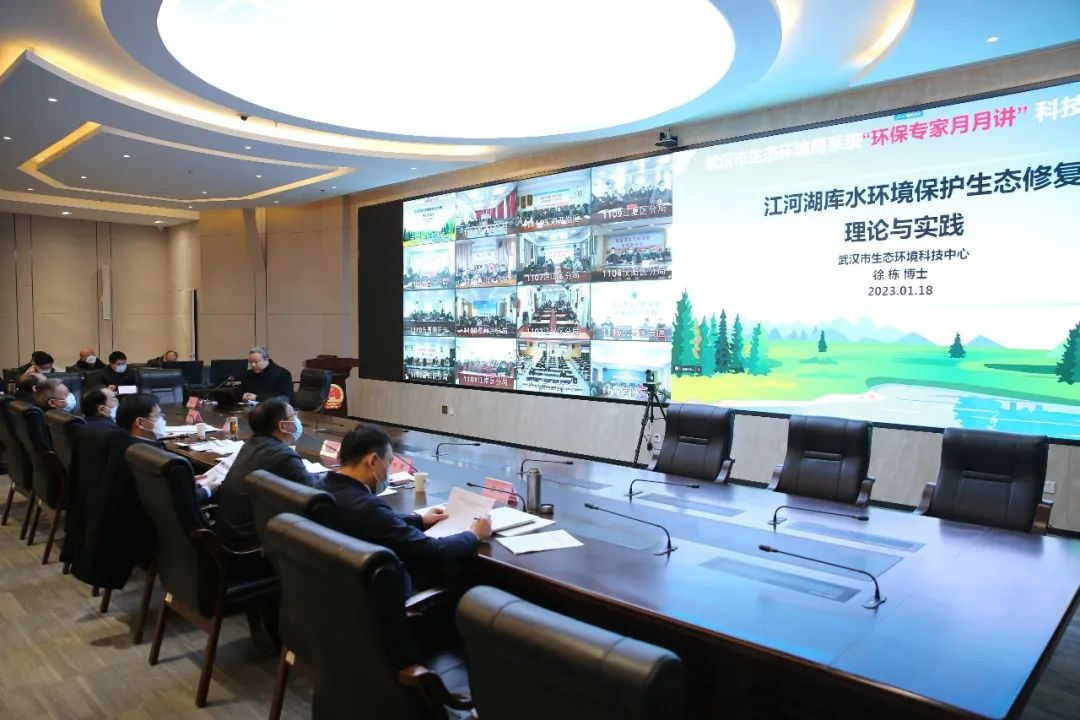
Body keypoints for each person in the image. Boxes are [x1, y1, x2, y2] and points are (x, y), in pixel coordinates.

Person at [321, 423, 491, 594]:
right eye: (388, 463)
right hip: (388, 596)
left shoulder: (322, 489)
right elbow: (433, 551)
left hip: (337, 588)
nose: (388, 471)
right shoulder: (368, 507)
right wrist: (474, 534)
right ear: (373, 461)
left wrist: (420, 521)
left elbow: (381, 523)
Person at [215, 396, 315, 549]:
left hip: (229, 538)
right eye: (293, 416)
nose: (297, 420)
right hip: (252, 548)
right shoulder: (283, 456)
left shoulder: (251, 445)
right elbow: (312, 496)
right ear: (283, 426)